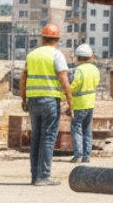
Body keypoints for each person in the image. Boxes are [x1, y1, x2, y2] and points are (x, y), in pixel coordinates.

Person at [19, 24, 73, 186]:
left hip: (33, 100)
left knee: (37, 137)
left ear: (43, 38)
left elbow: (23, 78)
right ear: (57, 39)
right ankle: (43, 176)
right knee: (48, 138)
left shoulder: (32, 55)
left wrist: (23, 99)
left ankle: (35, 175)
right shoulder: (57, 55)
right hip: (50, 100)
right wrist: (71, 103)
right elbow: (64, 79)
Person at [69, 44, 100, 163]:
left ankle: (78, 154)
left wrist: (64, 94)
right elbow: (96, 83)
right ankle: (87, 155)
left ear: (78, 58)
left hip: (79, 104)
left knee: (76, 128)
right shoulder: (95, 69)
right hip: (90, 103)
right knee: (87, 129)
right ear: (90, 57)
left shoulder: (79, 70)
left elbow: (75, 86)